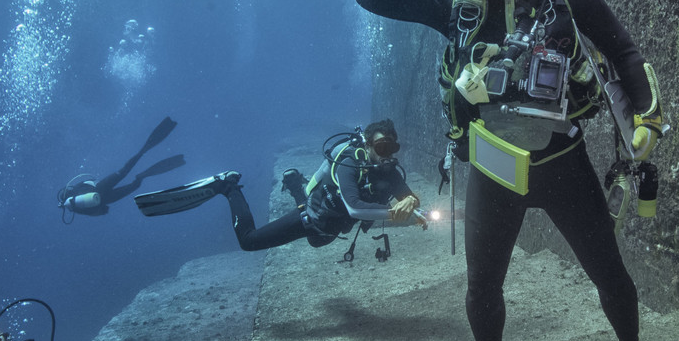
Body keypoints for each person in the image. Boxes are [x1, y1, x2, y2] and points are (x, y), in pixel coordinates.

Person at [355, 0, 677, 341]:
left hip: (562, 162)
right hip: (491, 167)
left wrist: (646, 118)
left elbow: (624, 54)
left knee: (609, 272)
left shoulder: (569, 0)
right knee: (483, 280)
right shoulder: (456, 4)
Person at [133, 119, 427, 251]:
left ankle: (296, 184)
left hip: (328, 230)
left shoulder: (389, 172)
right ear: (367, 145)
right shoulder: (349, 162)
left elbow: (410, 196)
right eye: (382, 147)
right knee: (249, 242)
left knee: (317, 236)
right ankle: (228, 187)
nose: (387, 154)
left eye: (392, 147)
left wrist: (413, 204)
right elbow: (354, 206)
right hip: (311, 221)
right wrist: (392, 214)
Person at [57, 116, 185, 219]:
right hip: (101, 187)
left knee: (134, 185)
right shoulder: (75, 191)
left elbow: (99, 211)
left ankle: (142, 176)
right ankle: (143, 151)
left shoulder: (76, 207)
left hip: (106, 199)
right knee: (124, 171)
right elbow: (91, 182)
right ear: (66, 190)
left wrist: (101, 206)